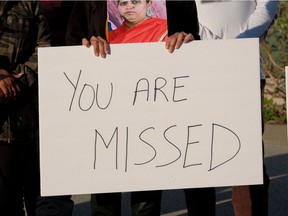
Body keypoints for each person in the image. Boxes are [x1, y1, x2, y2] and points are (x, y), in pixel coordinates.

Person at [66, 1, 215, 216]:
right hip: (105, 107)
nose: (129, 6)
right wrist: (87, 46)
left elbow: (193, 42)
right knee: (104, 194)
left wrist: (185, 41)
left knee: (147, 198)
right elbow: (72, 42)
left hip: (157, 108)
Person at [195, 1, 279, 215]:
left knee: (246, 162)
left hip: (245, 70)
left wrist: (240, 44)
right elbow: (180, 10)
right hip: (197, 69)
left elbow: (268, 5)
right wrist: (217, 47)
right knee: (197, 159)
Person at [0, 1, 50, 216]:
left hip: (20, 119)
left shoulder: (30, 5)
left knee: (12, 197)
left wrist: (17, 81)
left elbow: (45, 49)